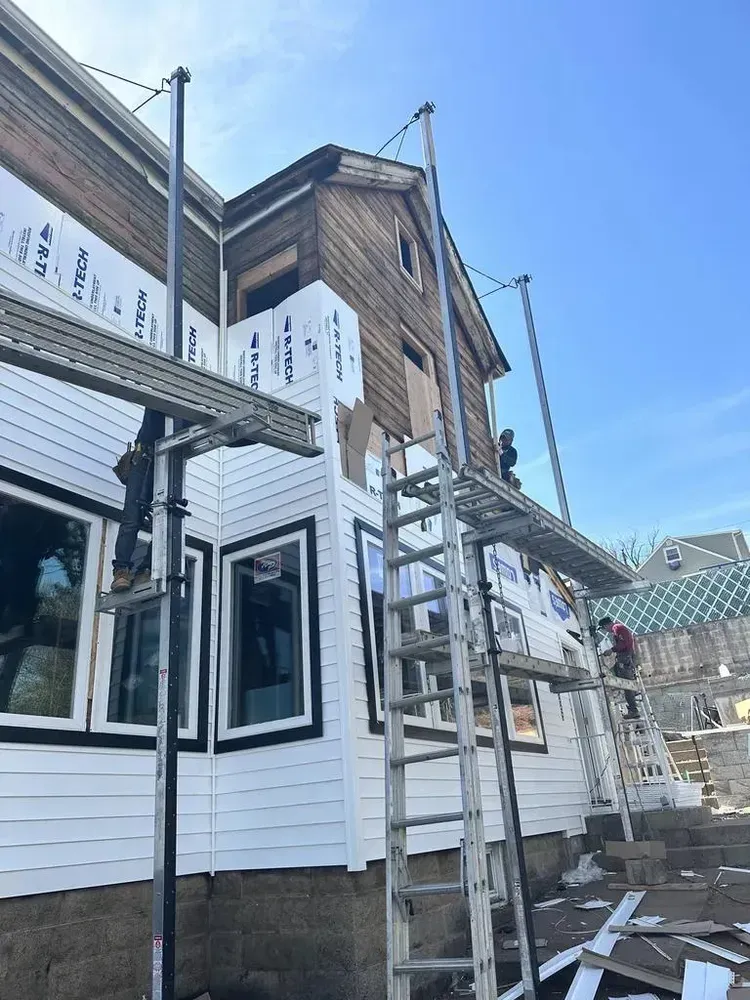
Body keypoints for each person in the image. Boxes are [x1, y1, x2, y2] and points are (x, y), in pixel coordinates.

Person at [110, 408, 169, 593]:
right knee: (132, 516)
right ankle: (121, 571)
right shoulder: (162, 394)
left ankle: (146, 569)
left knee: (165, 516)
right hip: (144, 455)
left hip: (170, 455)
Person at [598, 616, 639, 718]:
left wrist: (611, 650)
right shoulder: (620, 628)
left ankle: (633, 710)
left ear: (606, 625)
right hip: (627, 656)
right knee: (619, 673)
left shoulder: (617, 628)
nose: (606, 631)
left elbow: (623, 644)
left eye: (604, 629)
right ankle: (633, 698)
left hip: (625, 657)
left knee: (627, 685)